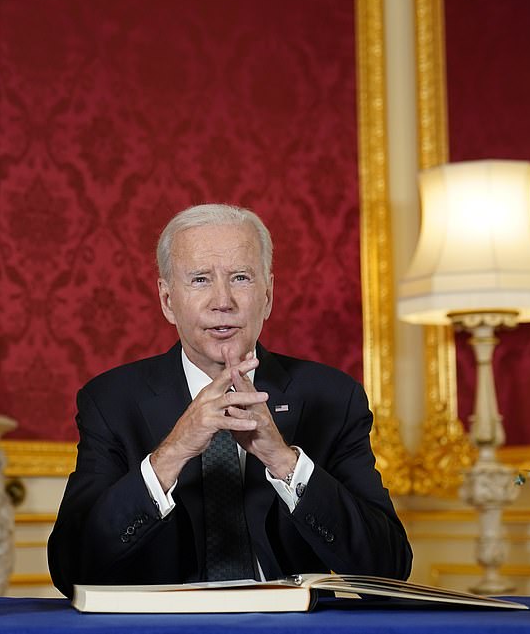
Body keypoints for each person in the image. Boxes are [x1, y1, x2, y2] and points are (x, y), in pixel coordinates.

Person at [47, 204, 412, 597]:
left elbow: (389, 568)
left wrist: (284, 461)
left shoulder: (333, 397)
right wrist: (172, 452)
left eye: (240, 278)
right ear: (168, 300)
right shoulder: (111, 401)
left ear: (267, 296)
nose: (223, 301)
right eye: (200, 280)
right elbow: (71, 568)